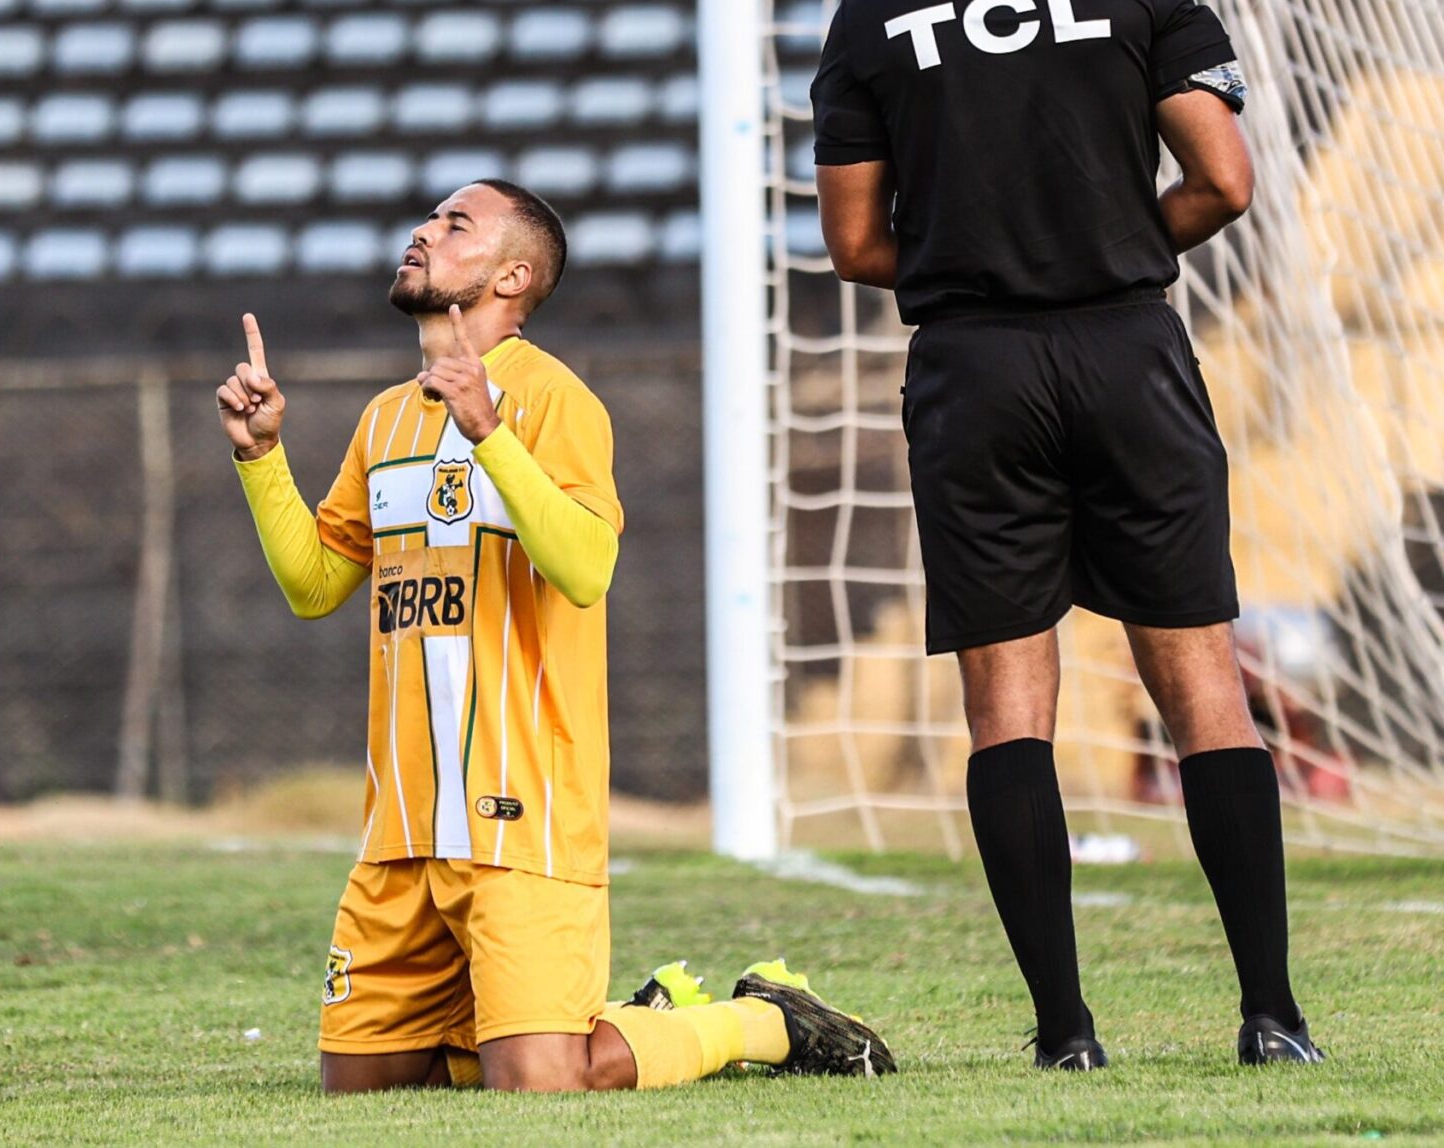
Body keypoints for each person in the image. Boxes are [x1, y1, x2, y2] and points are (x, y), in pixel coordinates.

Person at [219, 179, 897, 1091]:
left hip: (521, 817)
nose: (422, 231)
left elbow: (586, 568)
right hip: (401, 829)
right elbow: (314, 586)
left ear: (513, 275)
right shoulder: (384, 419)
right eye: (426, 219)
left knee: (542, 1084)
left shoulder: (554, 400)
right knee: (368, 1090)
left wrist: (489, 434)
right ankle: (599, 1018)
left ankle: (753, 1019)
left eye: (454, 224)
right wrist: (262, 456)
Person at [811, 0, 1322, 1068]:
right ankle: (1273, 1015)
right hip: (1128, 348)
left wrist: (978, 265)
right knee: (1204, 688)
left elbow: (855, 241)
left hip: (974, 367)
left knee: (1006, 708)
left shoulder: (869, 18)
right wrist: (1113, 246)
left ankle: (1066, 1032)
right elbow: (1225, 179)